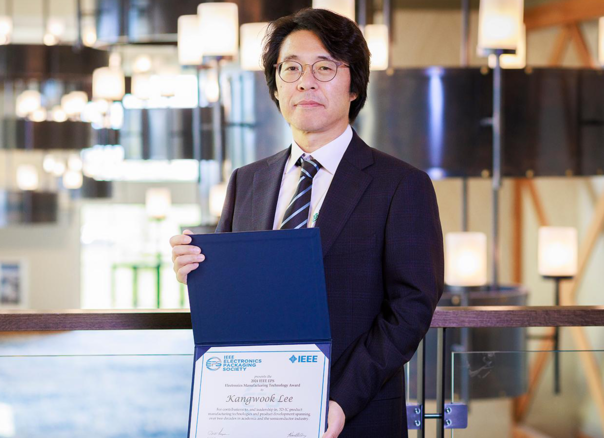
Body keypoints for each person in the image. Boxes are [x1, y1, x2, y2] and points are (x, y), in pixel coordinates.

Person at [170, 8, 444, 438]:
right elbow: (239, 300)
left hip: (355, 414)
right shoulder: (246, 181)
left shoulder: (401, 185)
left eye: (324, 68)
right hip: (253, 409)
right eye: (291, 68)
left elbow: (411, 309)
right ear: (276, 85)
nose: (305, 82)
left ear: (355, 85)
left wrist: (341, 400)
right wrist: (198, 272)